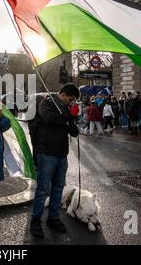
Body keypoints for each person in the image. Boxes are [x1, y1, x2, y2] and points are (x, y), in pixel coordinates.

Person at [30, 84, 80, 238]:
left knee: (58, 188)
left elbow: (72, 130)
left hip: (61, 155)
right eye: (71, 99)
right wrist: (66, 117)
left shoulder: (65, 109)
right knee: (43, 188)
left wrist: (72, 124)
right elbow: (49, 118)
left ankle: (53, 217)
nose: (71, 102)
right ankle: (36, 219)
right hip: (46, 153)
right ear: (63, 94)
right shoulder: (46, 103)